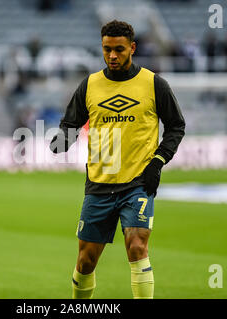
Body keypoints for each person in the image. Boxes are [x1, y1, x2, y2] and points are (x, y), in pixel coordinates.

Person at [49, 20, 185, 299]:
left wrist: (158, 161)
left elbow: (176, 126)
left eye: (119, 49)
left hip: (137, 183)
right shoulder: (89, 85)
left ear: (132, 48)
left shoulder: (154, 84)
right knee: (86, 261)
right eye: (107, 49)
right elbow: (71, 123)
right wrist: (63, 139)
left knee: (137, 247)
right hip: (99, 183)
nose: (112, 55)